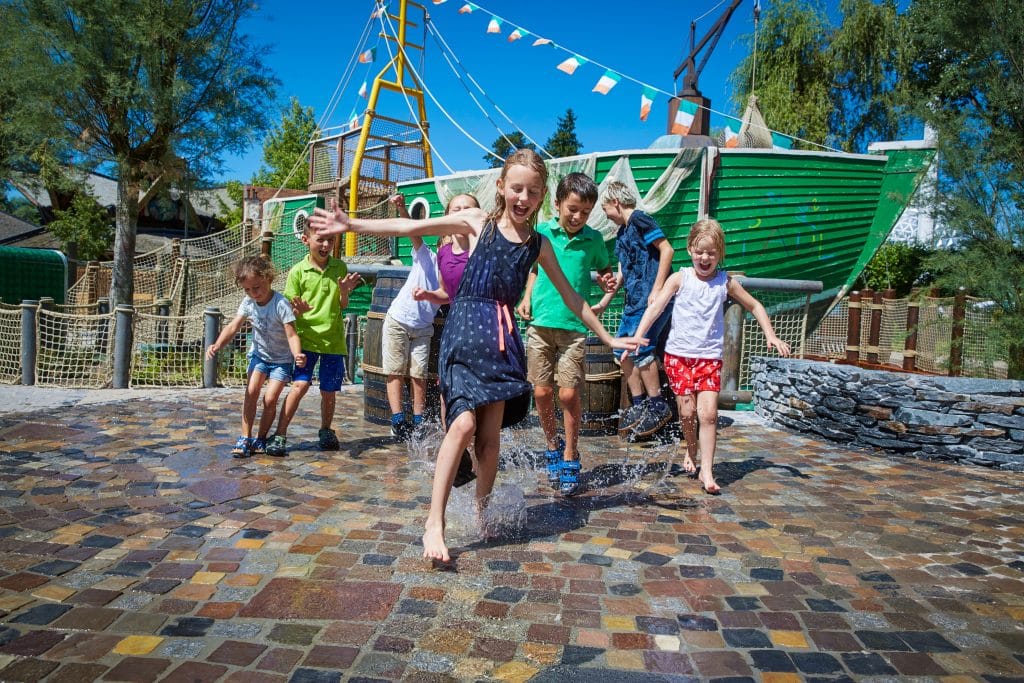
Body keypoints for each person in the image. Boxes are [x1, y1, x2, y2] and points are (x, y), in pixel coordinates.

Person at [310, 149, 633, 563]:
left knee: (490, 440)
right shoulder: (477, 222)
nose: (523, 197)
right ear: (501, 187)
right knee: (461, 424)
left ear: (541, 196)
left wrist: (607, 337)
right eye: (516, 187)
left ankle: (481, 511)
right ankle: (434, 521)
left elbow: (573, 297)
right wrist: (352, 223)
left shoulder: (539, 245)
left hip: (501, 342)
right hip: (464, 333)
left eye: (532, 191)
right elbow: (412, 224)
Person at [624, 218, 791, 494]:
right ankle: (691, 449)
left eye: (711, 253)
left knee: (709, 414)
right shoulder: (680, 278)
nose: (705, 258)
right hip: (679, 356)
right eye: (700, 251)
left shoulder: (726, 283)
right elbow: (654, 309)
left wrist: (770, 335)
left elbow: (755, 305)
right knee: (687, 413)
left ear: (719, 254)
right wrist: (639, 336)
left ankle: (707, 470)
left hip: (709, 358)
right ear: (690, 249)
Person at [516, 172, 615, 496]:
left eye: (585, 212)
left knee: (569, 394)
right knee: (541, 393)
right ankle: (552, 444)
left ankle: (572, 451)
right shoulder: (541, 232)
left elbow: (603, 267)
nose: (577, 217)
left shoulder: (594, 240)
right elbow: (533, 268)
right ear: (557, 204)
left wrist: (605, 279)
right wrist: (527, 297)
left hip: (574, 327)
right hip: (541, 324)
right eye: (572, 209)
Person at [265, 218, 361, 456]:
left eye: (330, 239)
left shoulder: (340, 267)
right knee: (299, 385)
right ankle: (280, 433)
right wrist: (299, 311)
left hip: (333, 342)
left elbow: (342, 305)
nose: (326, 244)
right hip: (306, 341)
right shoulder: (297, 272)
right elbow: (290, 310)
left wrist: (345, 292)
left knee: (329, 392)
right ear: (306, 240)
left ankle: (326, 429)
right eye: (321, 239)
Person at [206, 255, 305, 459]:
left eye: (257, 287)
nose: (253, 293)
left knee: (270, 399)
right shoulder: (248, 303)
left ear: (269, 278)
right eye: (247, 290)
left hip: (281, 361)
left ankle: (261, 437)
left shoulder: (280, 304)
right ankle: (245, 437)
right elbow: (234, 326)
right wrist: (217, 344)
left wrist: (297, 354)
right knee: (251, 392)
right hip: (259, 356)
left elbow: (291, 333)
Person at [601, 181, 675, 439]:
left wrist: (658, 289)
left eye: (605, 208)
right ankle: (639, 403)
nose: (605, 214)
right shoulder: (622, 233)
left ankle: (658, 406)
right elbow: (623, 271)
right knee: (621, 349)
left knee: (642, 348)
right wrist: (606, 298)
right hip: (633, 303)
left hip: (652, 299)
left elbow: (667, 250)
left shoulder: (641, 220)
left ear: (616, 203)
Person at [381, 194, 443, 442]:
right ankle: (397, 420)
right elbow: (411, 231)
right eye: (446, 243)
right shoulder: (428, 257)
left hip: (423, 327)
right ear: (440, 246)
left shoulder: (457, 272)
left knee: (419, 374)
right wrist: (401, 208)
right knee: (395, 371)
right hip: (399, 319)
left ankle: (417, 420)